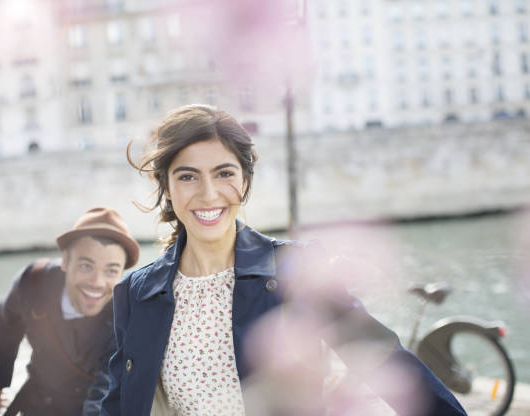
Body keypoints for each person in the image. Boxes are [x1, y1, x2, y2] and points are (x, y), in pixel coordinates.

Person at [100, 104, 466, 415]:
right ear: (166, 186)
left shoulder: (298, 269)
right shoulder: (135, 293)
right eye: (188, 176)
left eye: (224, 173)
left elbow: (387, 362)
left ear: (245, 181)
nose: (208, 193)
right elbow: (117, 405)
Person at [0, 206, 140, 416]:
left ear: (122, 273)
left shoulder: (127, 313)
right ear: (65, 260)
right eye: (86, 266)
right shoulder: (33, 281)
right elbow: (7, 328)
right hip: (39, 398)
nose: (97, 283)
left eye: (111, 270)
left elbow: (107, 385)